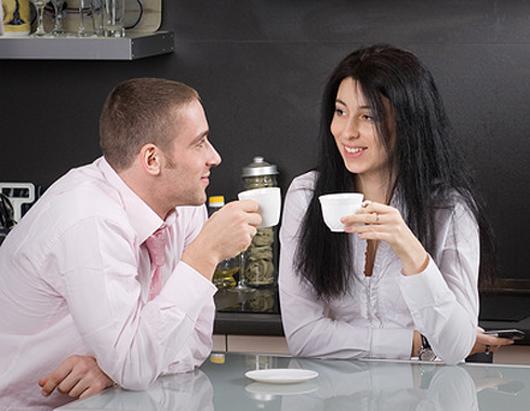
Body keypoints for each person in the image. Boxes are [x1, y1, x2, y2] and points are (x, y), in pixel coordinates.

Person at [0, 78, 261, 408]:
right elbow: (135, 365)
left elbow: (194, 343)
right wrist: (205, 254)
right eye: (199, 143)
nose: (215, 156)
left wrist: (112, 370)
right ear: (152, 159)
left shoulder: (185, 207)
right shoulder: (89, 218)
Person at [279, 45, 513, 364]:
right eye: (340, 111)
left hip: (425, 389)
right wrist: (417, 342)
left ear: (407, 123)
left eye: (368, 116)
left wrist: (409, 248)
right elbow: (303, 336)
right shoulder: (306, 196)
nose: (347, 132)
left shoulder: (449, 209)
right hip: (334, 390)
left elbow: (456, 347)